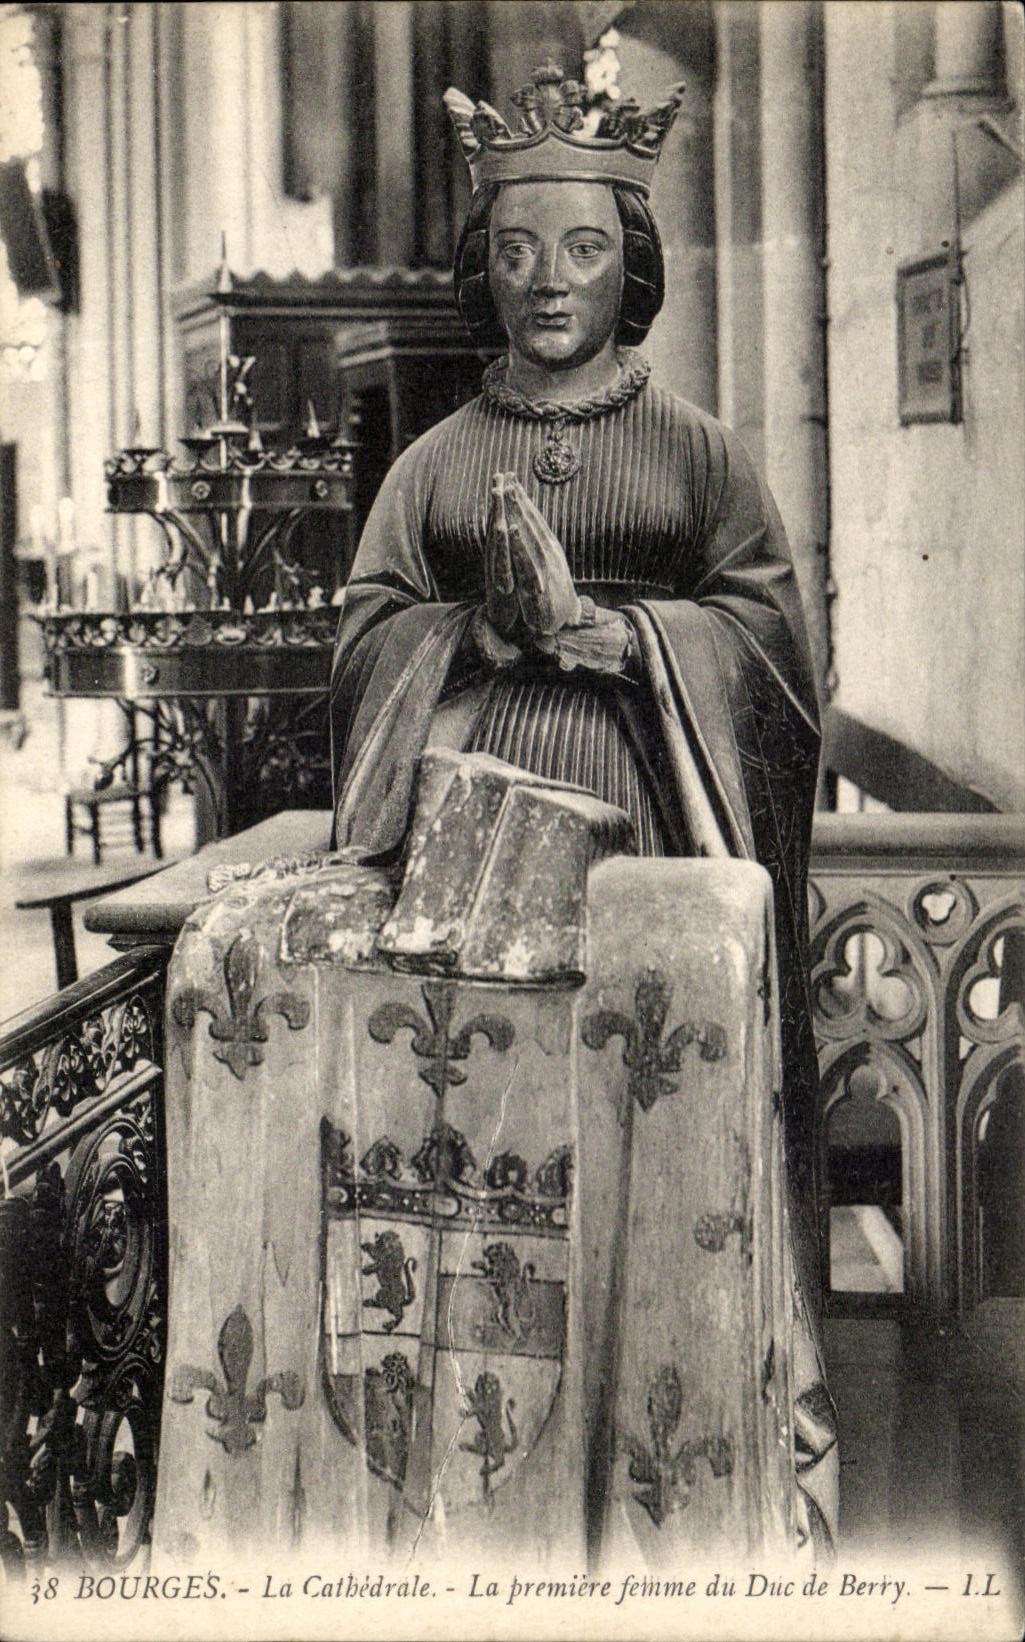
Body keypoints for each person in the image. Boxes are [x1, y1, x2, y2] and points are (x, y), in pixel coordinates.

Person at [329, 64, 836, 1551]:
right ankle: (493, 1466)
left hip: (650, 833)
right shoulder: (431, 462)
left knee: (634, 1149)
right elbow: (360, 641)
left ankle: (660, 1427)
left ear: (634, 263)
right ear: (480, 272)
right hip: (461, 853)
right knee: (487, 1144)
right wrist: (468, 636)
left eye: (581, 250)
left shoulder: (697, 450)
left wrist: (624, 637)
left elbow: (777, 662)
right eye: (514, 251)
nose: (546, 282)